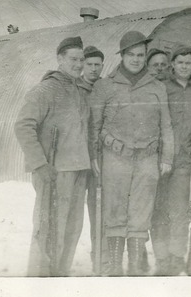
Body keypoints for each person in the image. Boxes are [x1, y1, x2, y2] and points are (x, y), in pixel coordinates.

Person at [88, 31, 174, 276]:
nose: (136, 59)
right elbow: (94, 125)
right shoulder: (105, 86)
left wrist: (167, 157)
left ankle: (135, 271)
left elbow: (166, 125)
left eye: (141, 55)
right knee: (114, 214)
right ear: (122, 55)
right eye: (131, 55)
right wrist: (94, 156)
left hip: (147, 160)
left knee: (140, 216)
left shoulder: (157, 87)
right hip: (115, 159)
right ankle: (115, 269)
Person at [15, 36, 89, 276]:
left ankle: (60, 277)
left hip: (78, 170)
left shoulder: (78, 90)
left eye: (81, 59)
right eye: (73, 59)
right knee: (48, 229)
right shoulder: (46, 89)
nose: (78, 64)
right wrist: (40, 164)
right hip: (55, 172)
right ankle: (40, 281)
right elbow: (23, 125)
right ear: (60, 59)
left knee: (71, 229)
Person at [150, 44, 191, 276]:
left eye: (188, 63)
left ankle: (176, 258)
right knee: (158, 211)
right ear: (172, 64)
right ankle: (161, 258)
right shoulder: (162, 87)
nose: (184, 66)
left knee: (179, 212)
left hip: (183, 162)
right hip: (159, 159)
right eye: (180, 62)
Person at [77, 45, 108, 274]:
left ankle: (99, 257)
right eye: (90, 64)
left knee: (99, 210)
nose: (94, 69)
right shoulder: (74, 88)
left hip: (98, 160)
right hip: (77, 159)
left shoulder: (106, 88)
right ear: (82, 65)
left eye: (98, 65)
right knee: (73, 212)